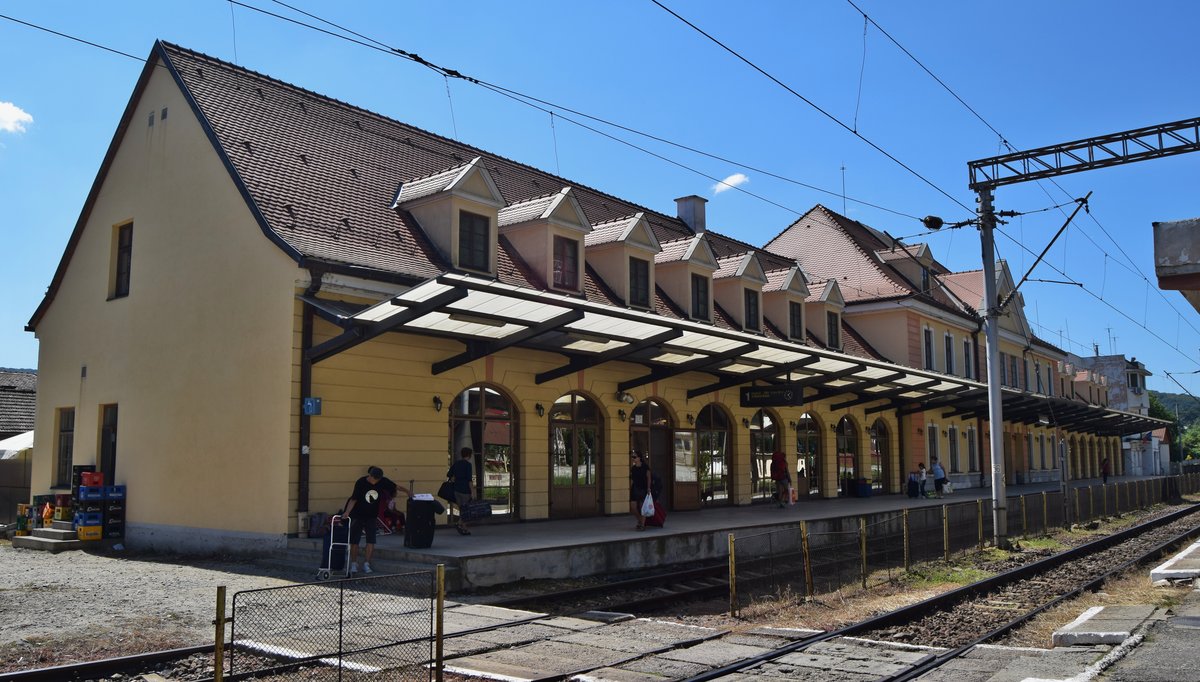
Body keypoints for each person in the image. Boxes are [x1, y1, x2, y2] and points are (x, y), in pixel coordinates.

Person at [342, 466, 409, 574]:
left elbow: (396, 487)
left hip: (372, 516)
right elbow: (353, 499)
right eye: (374, 479)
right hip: (357, 515)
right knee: (354, 541)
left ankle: (366, 564)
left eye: (378, 480)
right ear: (370, 476)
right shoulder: (361, 482)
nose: (375, 482)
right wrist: (347, 512)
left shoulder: (383, 481)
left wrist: (407, 491)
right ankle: (354, 564)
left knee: (371, 540)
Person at [447, 447, 474, 535]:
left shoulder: (456, 464)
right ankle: (459, 524)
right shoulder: (468, 465)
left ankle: (464, 529)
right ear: (469, 455)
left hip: (456, 490)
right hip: (465, 490)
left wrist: (455, 478)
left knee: (462, 510)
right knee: (466, 510)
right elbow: (469, 480)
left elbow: (449, 474)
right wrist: (472, 492)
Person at [630, 450, 652, 531]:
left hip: (644, 488)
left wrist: (649, 488)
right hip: (635, 488)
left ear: (639, 458)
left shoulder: (645, 467)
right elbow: (632, 479)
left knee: (643, 507)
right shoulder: (633, 468)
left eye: (634, 457)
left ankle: (642, 524)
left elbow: (649, 478)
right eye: (632, 457)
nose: (633, 458)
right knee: (633, 507)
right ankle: (640, 520)